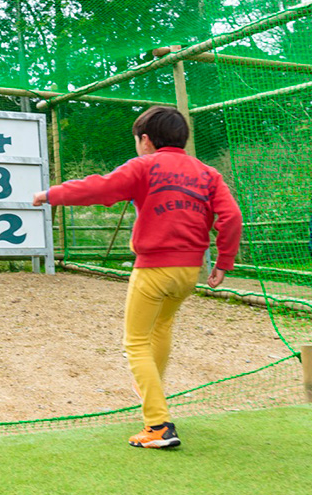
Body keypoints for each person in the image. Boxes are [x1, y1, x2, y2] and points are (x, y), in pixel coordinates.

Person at [32, 106, 242, 450]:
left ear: (145, 140)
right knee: (161, 328)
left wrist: (52, 194)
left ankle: (159, 425)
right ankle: (150, 389)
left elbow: (100, 189)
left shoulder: (144, 165)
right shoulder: (208, 173)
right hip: (190, 272)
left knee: (135, 343)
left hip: (154, 268)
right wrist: (224, 261)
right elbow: (231, 216)